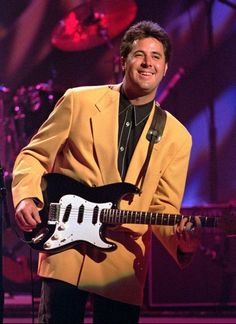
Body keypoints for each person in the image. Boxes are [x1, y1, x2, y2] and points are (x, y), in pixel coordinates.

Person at [12, 20, 200, 324]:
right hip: (65, 250)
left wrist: (182, 241)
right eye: (140, 54)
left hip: (121, 264)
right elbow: (34, 155)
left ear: (165, 68)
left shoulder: (178, 137)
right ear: (123, 61)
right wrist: (26, 198)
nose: (148, 63)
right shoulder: (78, 101)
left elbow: (163, 207)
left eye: (157, 57)